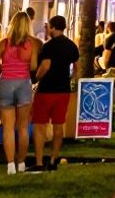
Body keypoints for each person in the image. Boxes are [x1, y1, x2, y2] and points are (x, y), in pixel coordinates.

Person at [0, 11, 41, 175]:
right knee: (23, 128)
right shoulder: (31, 44)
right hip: (24, 84)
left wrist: (5, 66)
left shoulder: (3, 43)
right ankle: (21, 163)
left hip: (6, 83)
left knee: (7, 128)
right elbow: (33, 67)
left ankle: (10, 165)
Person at [31, 15, 79, 171]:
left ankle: (38, 162)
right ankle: (53, 159)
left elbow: (45, 65)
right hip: (63, 90)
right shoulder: (71, 46)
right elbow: (77, 68)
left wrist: (36, 78)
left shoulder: (48, 46)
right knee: (59, 126)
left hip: (46, 90)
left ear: (52, 27)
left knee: (40, 126)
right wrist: (69, 78)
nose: (46, 29)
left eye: (47, 26)